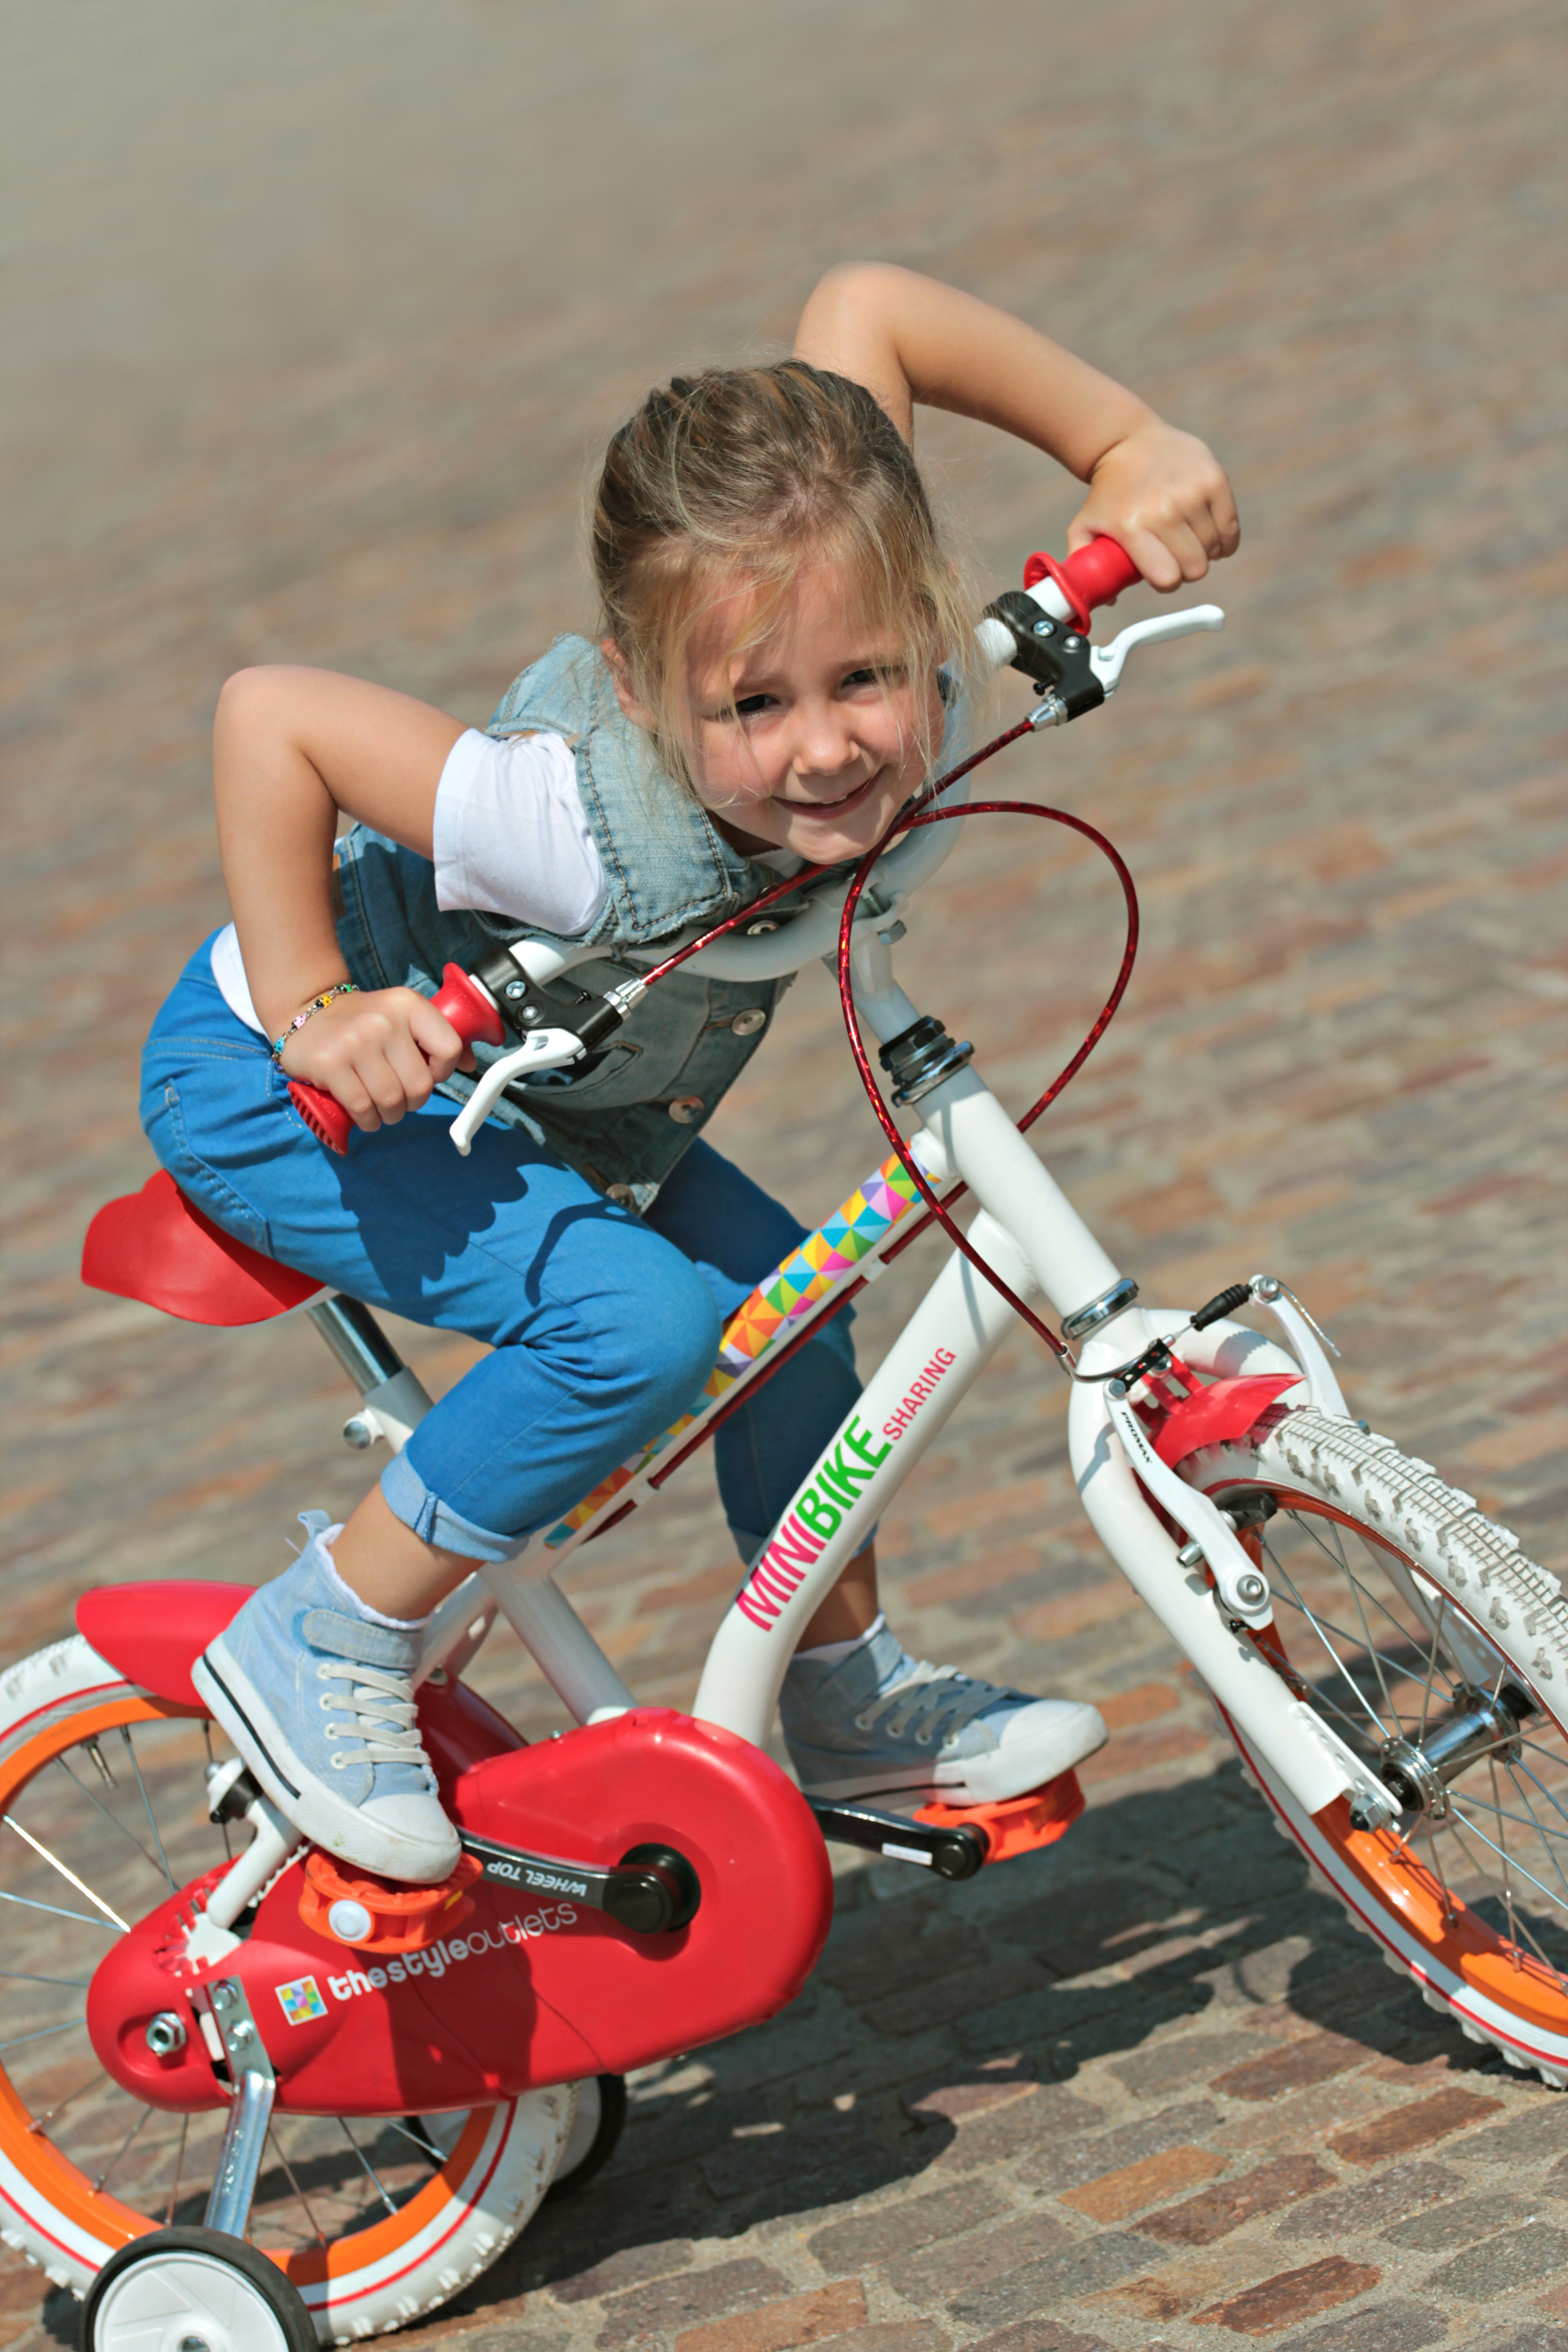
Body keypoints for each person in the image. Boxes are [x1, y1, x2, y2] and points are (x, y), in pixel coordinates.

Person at [142, 264, 1239, 1884]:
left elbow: (866, 302)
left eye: (869, 676)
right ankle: (321, 1635)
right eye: (752, 706)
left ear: (921, 611)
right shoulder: (561, 823)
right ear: (651, 688)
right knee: (639, 1326)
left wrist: (1124, 443)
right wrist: (319, 1006)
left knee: (791, 1303)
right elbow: (270, 717)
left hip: (550, 1090)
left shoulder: (862, 594)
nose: (826, 748)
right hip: (299, 1085)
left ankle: (845, 1693)